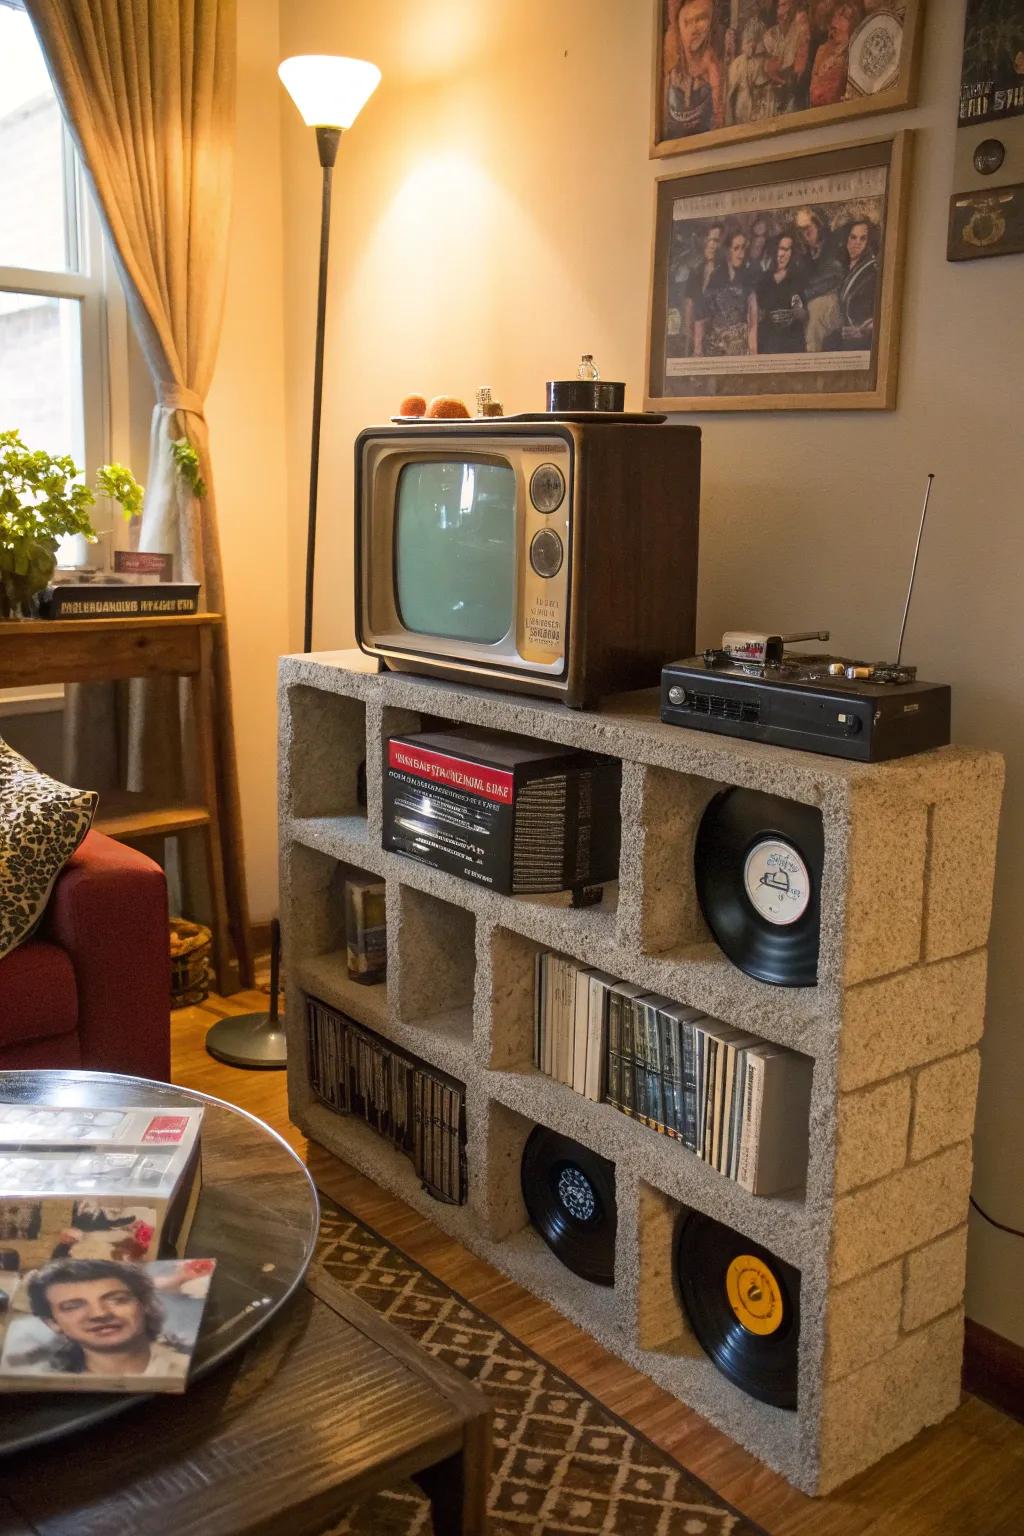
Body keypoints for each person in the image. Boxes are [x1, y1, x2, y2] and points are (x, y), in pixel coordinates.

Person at [16, 1258, 190, 1380]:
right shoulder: (44, 1385)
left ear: (144, 1305)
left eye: (118, 1300)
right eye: (73, 1306)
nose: (100, 1314)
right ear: (53, 1323)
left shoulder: (188, 1368)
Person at [663, 0, 725, 139]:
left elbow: (720, 125)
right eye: (687, 22)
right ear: (678, 26)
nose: (694, 30)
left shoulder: (715, 69)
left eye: (701, 19)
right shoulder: (670, 75)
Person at [693, 229, 758, 357]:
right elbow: (700, 316)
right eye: (736, 248)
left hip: (739, 352)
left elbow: (753, 321)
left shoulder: (748, 278)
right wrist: (697, 350)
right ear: (727, 250)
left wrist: (754, 353)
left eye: (743, 248)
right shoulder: (715, 277)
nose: (741, 254)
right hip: (715, 351)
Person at [794, 205, 842, 351]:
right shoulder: (804, 254)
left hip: (833, 299)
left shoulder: (834, 244)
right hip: (810, 303)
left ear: (818, 225)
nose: (805, 234)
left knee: (815, 313)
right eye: (801, 230)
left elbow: (834, 277)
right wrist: (797, 302)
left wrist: (805, 295)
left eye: (808, 228)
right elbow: (797, 283)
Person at [826, 219, 878, 351]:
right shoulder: (842, 268)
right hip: (841, 333)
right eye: (853, 237)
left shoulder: (873, 272)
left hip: (862, 339)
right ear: (846, 239)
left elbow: (882, 312)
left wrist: (863, 331)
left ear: (868, 242)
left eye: (863, 239)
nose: (857, 243)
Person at [755, 233, 807, 353]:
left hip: (792, 337)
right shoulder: (764, 278)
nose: (780, 254)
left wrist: (799, 312)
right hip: (768, 337)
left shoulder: (798, 277)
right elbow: (759, 308)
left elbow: (805, 315)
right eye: (778, 249)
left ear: (792, 253)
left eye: (785, 249)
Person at [763, 0, 812, 116]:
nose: (784, 11)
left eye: (787, 5)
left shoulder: (801, 25)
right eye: (781, 5)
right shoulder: (770, 35)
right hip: (775, 99)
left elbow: (799, 68)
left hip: (795, 94)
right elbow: (769, 66)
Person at [809, 3, 858, 107]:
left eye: (844, 18)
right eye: (835, 17)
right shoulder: (822, 50)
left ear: (853, 23)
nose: (835, 22)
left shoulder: (855, 51)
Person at [727, 18, 771, 125]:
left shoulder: (768, 60)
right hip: (742, 118)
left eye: (755, 40)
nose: (752, 44)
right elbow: (730, 97)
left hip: (764, 118)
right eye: (749, 40)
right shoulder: (738, 64)